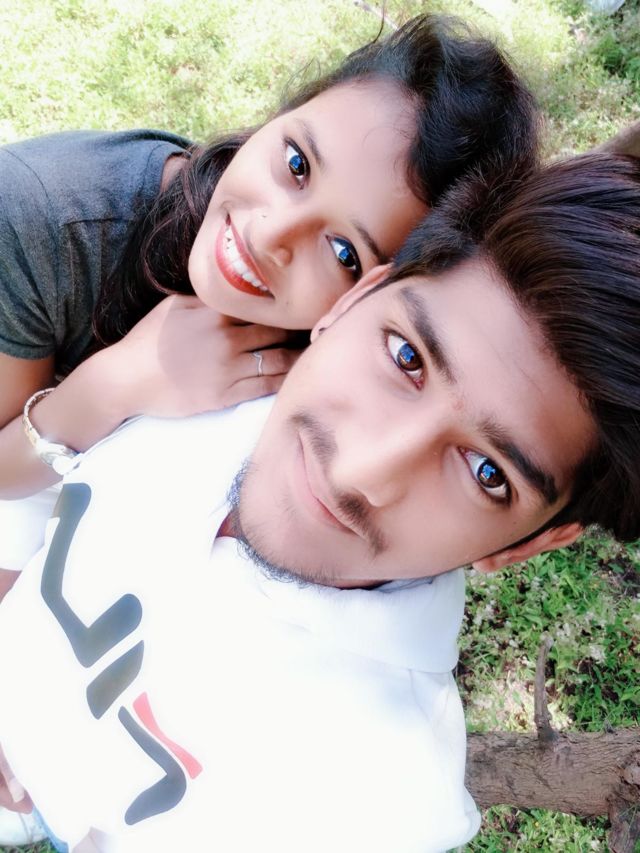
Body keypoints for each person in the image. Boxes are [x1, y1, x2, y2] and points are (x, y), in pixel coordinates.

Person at [1, 149, 639, 852]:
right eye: (406, 357)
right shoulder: (189, 364)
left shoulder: (376, 807)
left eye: (488, 473)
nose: (360, 471)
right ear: (352, 301)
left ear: (529, 543)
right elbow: (50, 487)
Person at [0, 14, 539, 584]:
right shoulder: (41, 219)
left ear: (379, 292)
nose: (271, 233)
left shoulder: (351, 369)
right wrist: (116, 383)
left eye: (344, 252)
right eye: (297, 164)